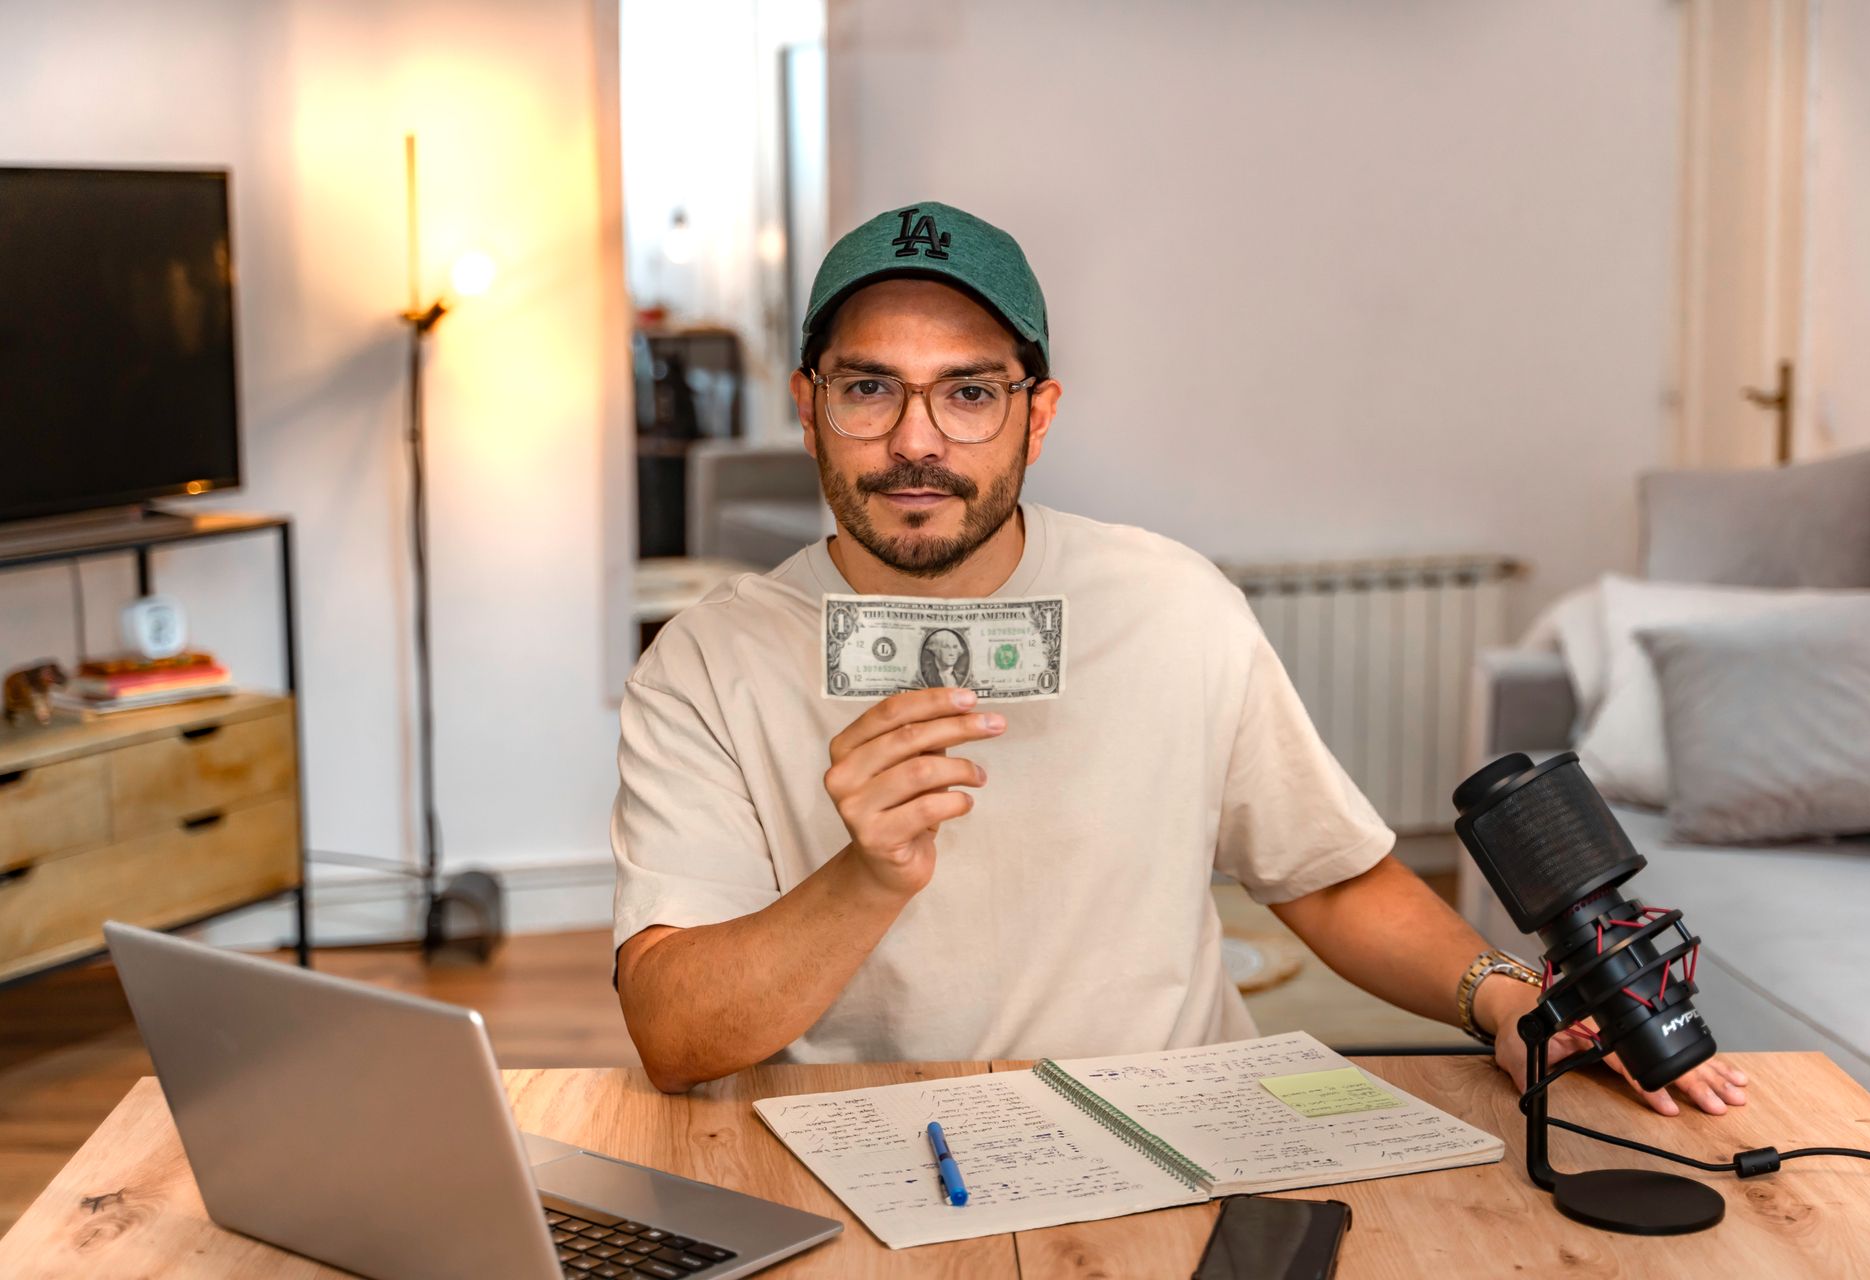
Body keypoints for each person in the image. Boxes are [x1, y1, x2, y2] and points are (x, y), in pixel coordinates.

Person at [611, 201, 1749, 1121]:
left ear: (1037, 413)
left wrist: (1504, 997)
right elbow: (672, 1033)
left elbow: (1324, 872)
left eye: (969, 392)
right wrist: (865, 876)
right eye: (870, 389)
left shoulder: (1172, 602)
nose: (919, 439)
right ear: (809, 409)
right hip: (860, 1136)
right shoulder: (708, 661)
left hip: (1175, 1123)